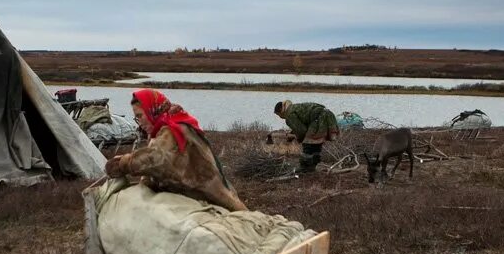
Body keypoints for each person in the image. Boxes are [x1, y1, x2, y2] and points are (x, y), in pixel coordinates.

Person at [104, 89, 247, 212]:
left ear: (151, 110)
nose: (139, 122)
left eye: (140, 116)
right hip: (193, 193)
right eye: (136, 118)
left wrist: (124, 163)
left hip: (207, 196)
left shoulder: (172, 130)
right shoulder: (166, 126)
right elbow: (160, 167)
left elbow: (157, 159)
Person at [274, 99, 339, 173]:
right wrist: (292, 134)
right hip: (327, 115)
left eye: (278, 115)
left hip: (318, 119)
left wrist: (297, 138)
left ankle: (305, 167)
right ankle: (312, 166)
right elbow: (303, 123)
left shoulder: (289, 115)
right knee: (316, 143)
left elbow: (302, 131)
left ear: (280, 111)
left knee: (308, 144)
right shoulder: (294, 108)